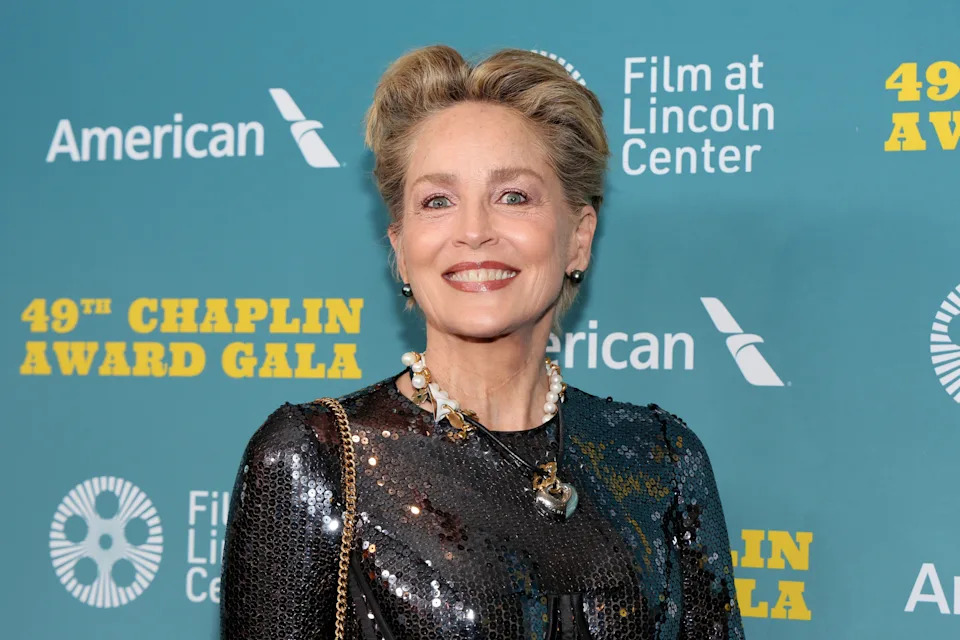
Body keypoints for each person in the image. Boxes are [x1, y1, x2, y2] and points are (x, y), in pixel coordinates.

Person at [219, 44, 745, 639]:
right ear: (401, 247)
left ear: (578, 238)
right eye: (437, 201)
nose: (473, 231)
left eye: (513, 196)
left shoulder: (662, 456)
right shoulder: (312, 458)